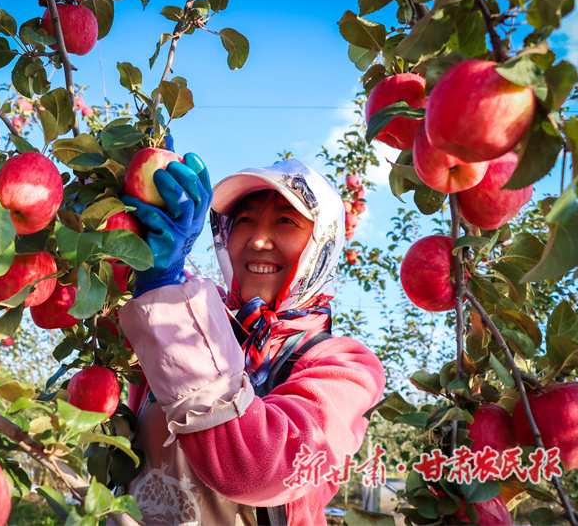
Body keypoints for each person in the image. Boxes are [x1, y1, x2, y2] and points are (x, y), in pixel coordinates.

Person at [118, 154, 385, 526]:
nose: (258, 240)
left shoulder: (346, 368)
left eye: (286, 222)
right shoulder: (187, 312)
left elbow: (257, 470)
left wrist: (165, 293)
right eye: (243, 221)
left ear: (322, 243)